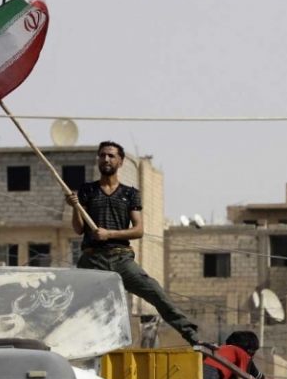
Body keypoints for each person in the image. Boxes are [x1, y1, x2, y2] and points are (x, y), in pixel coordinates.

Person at [66, 141, 208, 348]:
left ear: (120, 161)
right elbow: (79, 229)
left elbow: (138, 230)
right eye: (102, 155)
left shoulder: (129, 193)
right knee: (74, 304)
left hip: (121, 259)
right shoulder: (87, 190)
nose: (106, 159)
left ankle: (192, 336)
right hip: (92, 260)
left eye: (111, 156)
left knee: (156, 293)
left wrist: (109, 234)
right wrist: (74, 207)